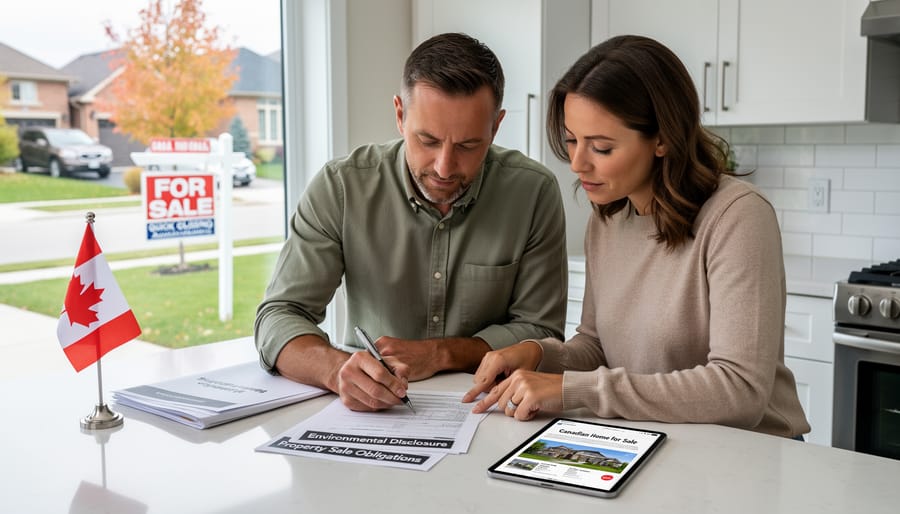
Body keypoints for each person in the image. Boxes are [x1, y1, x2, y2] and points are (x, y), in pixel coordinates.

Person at [462, 35, 810, 439]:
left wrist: (574, 390)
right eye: (572, 140)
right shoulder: (608, 219)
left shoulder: (738, 216)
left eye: (601, 147)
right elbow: (597, 347)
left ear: (662, 139)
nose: (577, 163)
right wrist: (539, 354)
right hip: (661, 439)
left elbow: (740, 390)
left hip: (752, 450)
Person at [255, 33, 568, 413]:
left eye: (468, 145)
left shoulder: (533, 192)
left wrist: (441, 353)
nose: (444, 167)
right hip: (370, 413)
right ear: (400, 114)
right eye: (428, 140)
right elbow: (279, 315)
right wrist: (336, 371)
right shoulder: (342, 187)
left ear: (496, 126)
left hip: (490, 409)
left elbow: (542, 332)